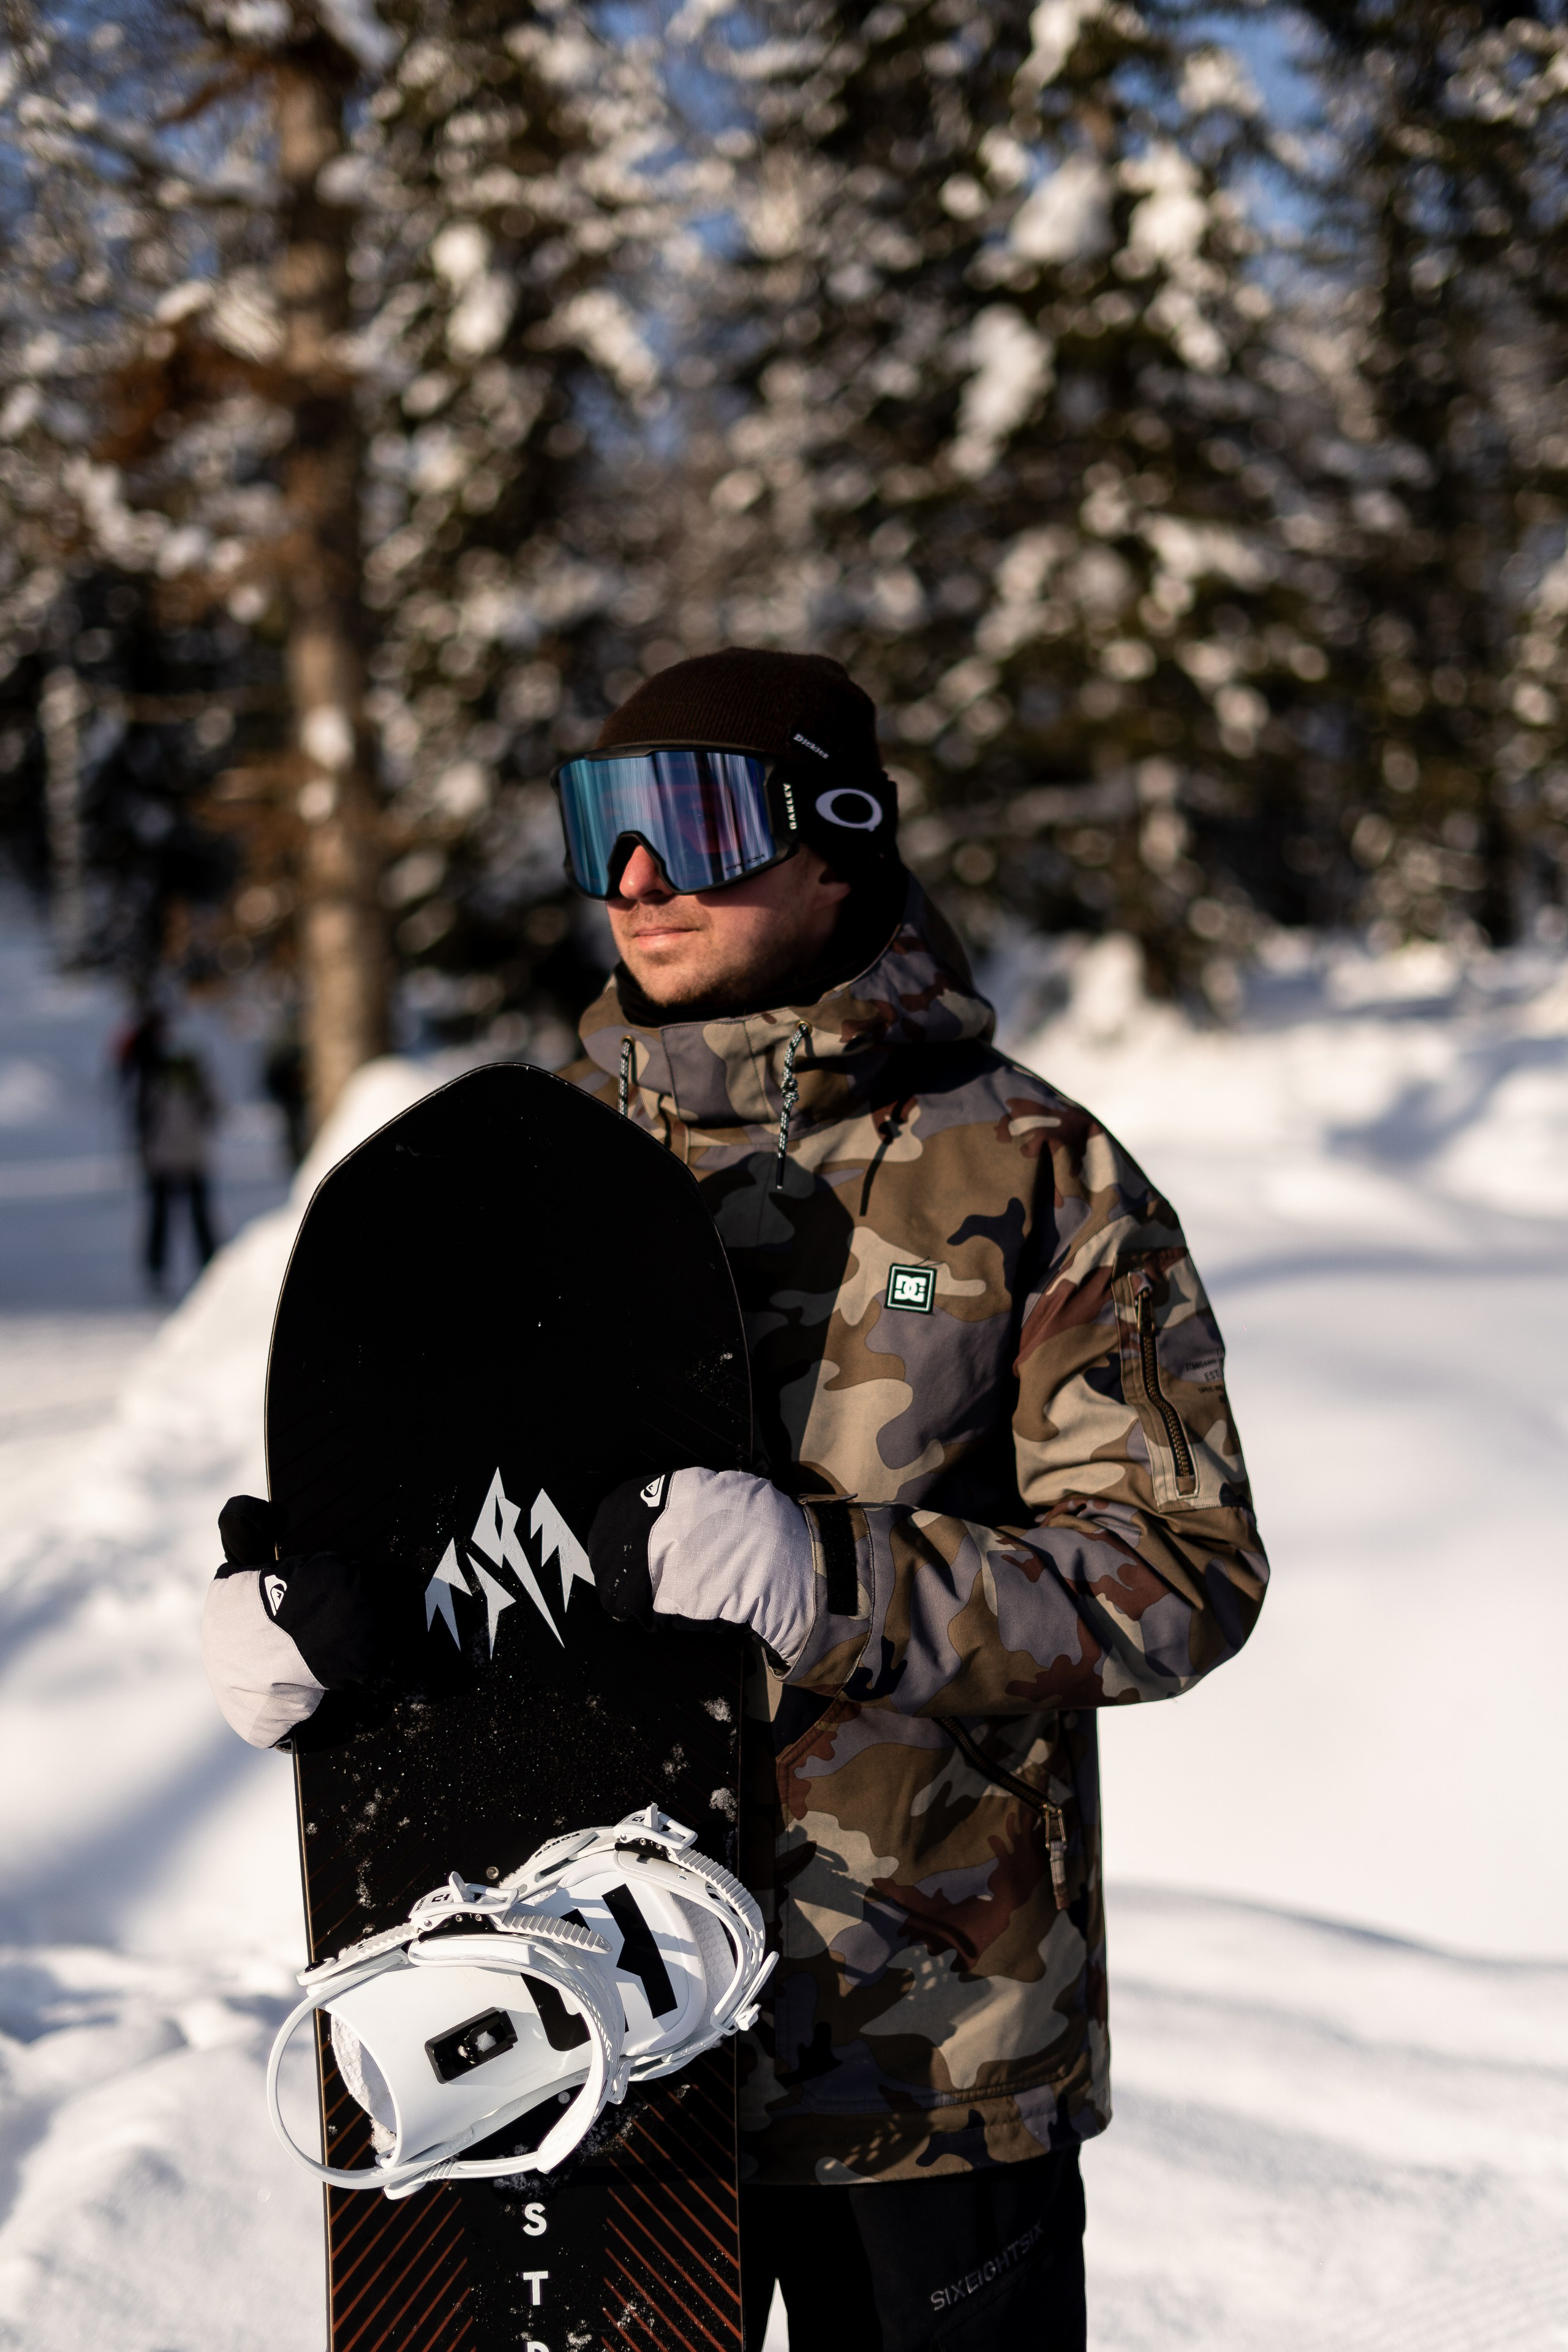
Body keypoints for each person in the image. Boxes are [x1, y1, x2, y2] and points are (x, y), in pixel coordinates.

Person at [202, 649, 1268, 2351]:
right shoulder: (514, 1174)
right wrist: (315, 1646)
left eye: (692, 821)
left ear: (839, 836)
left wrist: (827, 1584)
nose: (636, 878)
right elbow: (436, 1536)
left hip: (921, 2054)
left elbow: (1178, 1572)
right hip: (581, 2037)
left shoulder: (1028, 1170)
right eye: (601, 824)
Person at [118, 1009, 219, 1292]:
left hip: (161, 1155)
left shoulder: (151, 1071)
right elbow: (214, 1109)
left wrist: (142, 1148)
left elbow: (139, 1117)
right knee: (195, 1214)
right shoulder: (192, 1070)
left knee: (163, 1216)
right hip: (191, 1152)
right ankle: (209, 1266)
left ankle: (158, 1270)